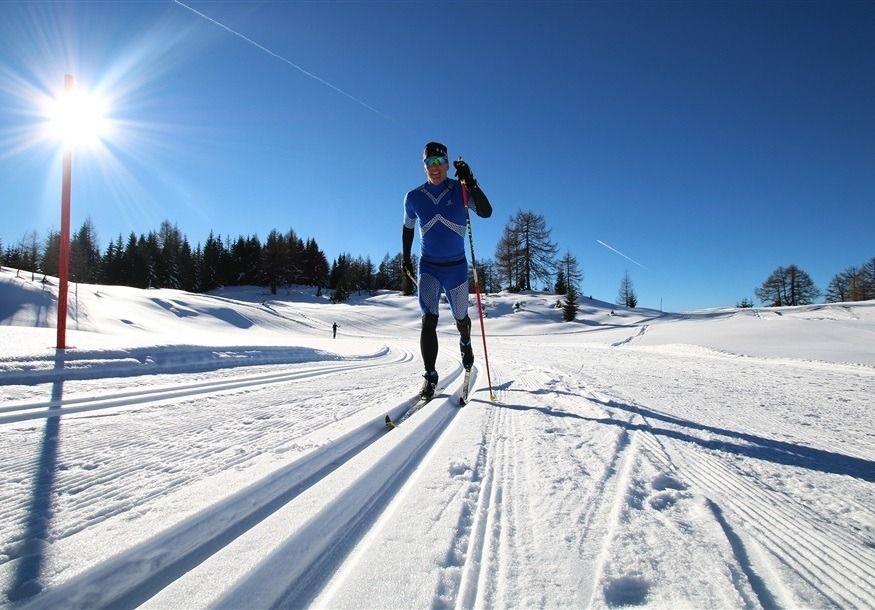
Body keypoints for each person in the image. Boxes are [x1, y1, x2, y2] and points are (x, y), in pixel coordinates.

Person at [402, 141, 492, 399]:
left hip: (456, 268)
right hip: (428, 266)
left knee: (461, 317)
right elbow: (408, 228)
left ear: (448, 164)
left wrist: (472, 182)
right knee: (428, 320)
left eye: (439, 162)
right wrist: (406, 258)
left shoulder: (460, 189)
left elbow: (486, 212)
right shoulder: (413, 197)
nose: (435, 168)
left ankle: (465, 341)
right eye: (429, 163)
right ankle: (430, 377)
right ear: (424, 166)